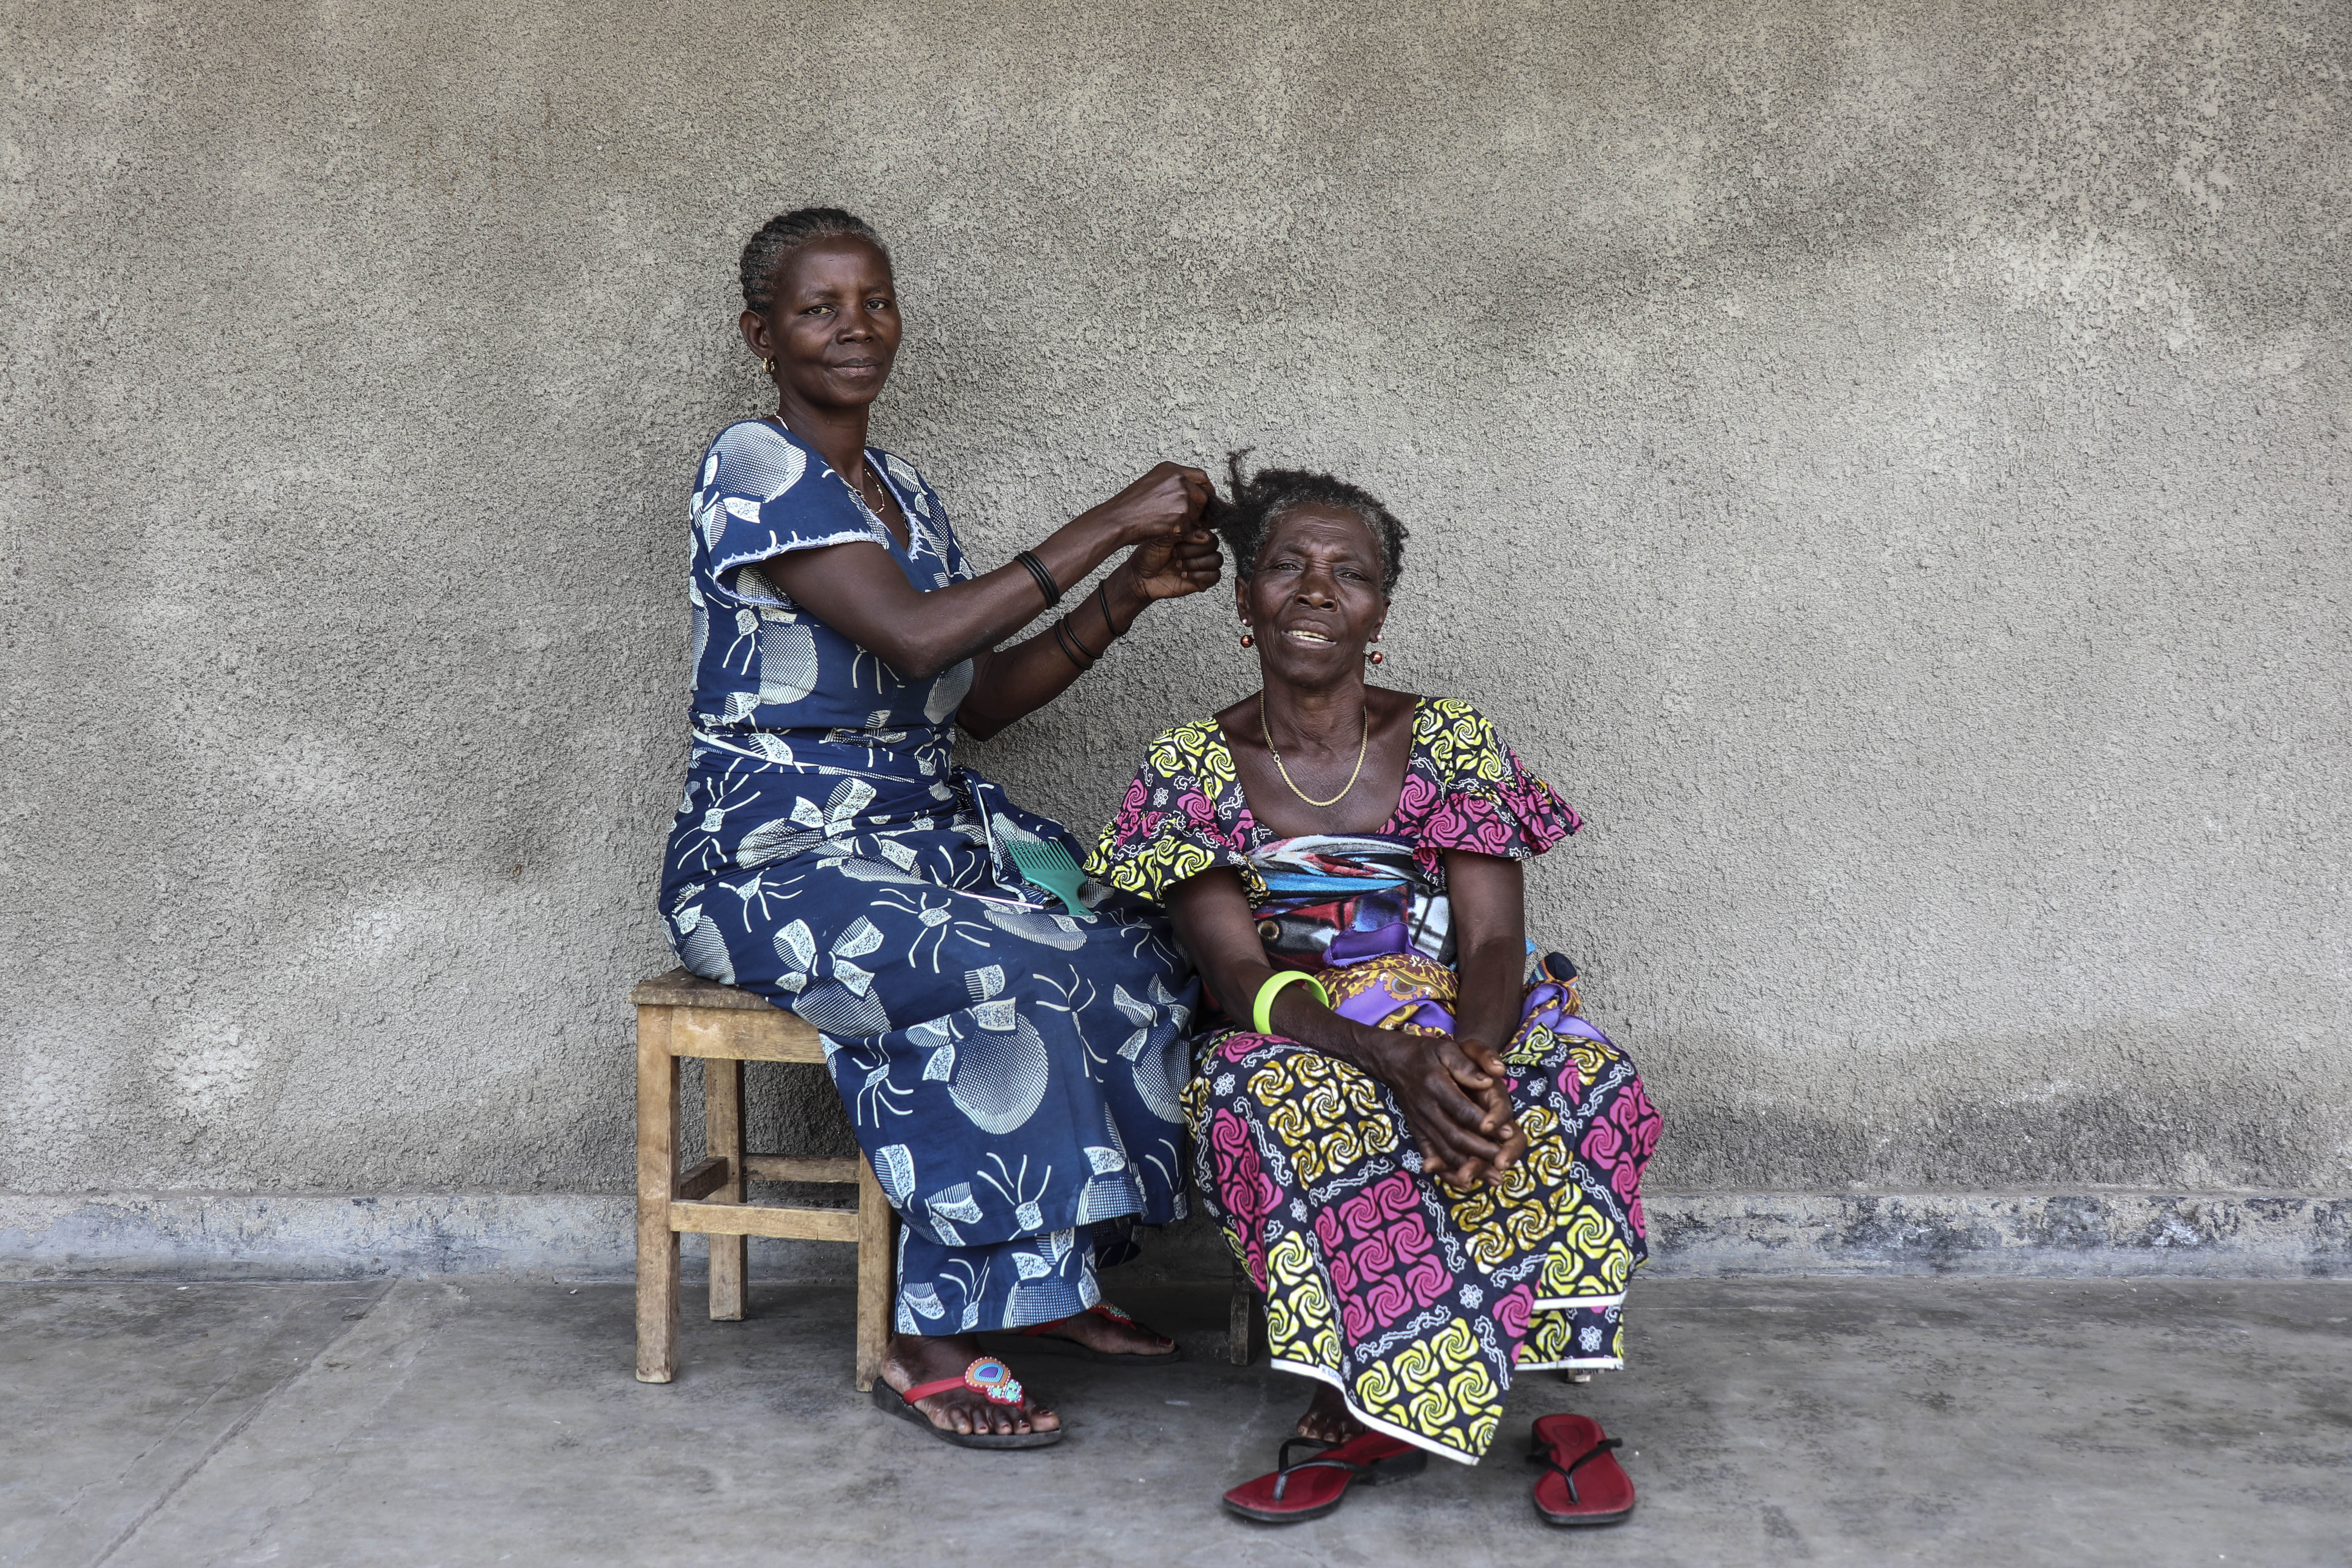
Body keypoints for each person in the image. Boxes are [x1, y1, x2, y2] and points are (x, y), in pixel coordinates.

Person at [660, 208, 1224, 1449]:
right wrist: (1109, 523)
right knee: (1000, 970)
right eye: (819, 308)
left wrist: (1128, 593)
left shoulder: (902, 493)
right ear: (761, 335)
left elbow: (968, 700)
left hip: (919, 837)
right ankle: (929, 1336)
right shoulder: (754, 466)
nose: (855, 328)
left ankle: (1050, 1285)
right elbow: (917, 635)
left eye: (876, 301)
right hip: (774, 860)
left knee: (1142, 948)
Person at [1087, 456, 1661, 1520]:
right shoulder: (1189, 766)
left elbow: (1493, 947)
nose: (1316, 589)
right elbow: (1238, 975)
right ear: (1247, 598)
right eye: (1287, 567)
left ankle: (1462, 1385)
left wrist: (1465, 1065)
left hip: (1461, 1014)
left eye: (1347, 573)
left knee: (1587, 1079)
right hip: (1289, 1030)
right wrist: (1394, 1060)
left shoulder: (1452, 740)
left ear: (1379, 610)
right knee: (1292, 1103)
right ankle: (1379, 1390)